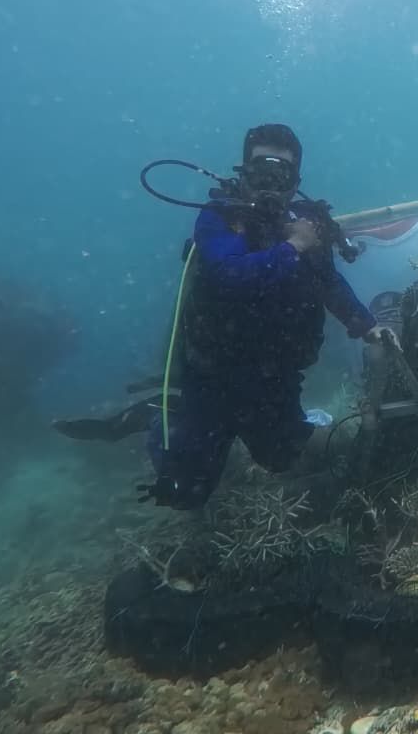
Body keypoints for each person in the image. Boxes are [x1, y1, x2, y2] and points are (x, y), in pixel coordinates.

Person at [135, 123, 392, 509]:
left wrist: (367, 325)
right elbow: (229, 276)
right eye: (260, 171)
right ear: (243, 172)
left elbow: (328, 282)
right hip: (212, 379)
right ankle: (157, 416)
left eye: (281, 173)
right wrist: (293, 246)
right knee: (184, 495)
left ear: (296, 179)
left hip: (274, 376)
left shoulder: (307, 224)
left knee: (282, 458)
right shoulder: (218, 217)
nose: (270, 183)